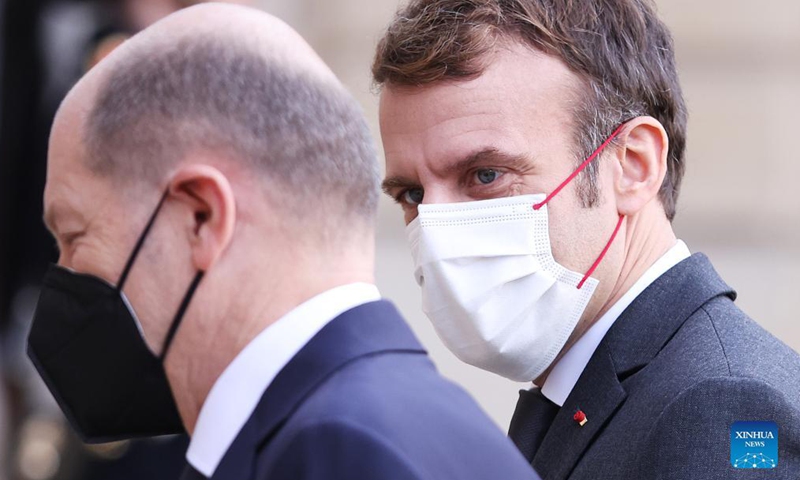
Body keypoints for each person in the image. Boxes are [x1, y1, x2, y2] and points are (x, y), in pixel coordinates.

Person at [26, 3, 539, 480]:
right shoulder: (369, 425)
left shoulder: (339, 455)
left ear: (201, 217)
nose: (66, 271)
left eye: (75, 236)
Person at [372, 0, 800, 478]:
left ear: (634, 166)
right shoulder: (587, 389)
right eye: (411, 193)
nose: (436, 227)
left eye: (486, 174)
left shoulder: (719, 403)